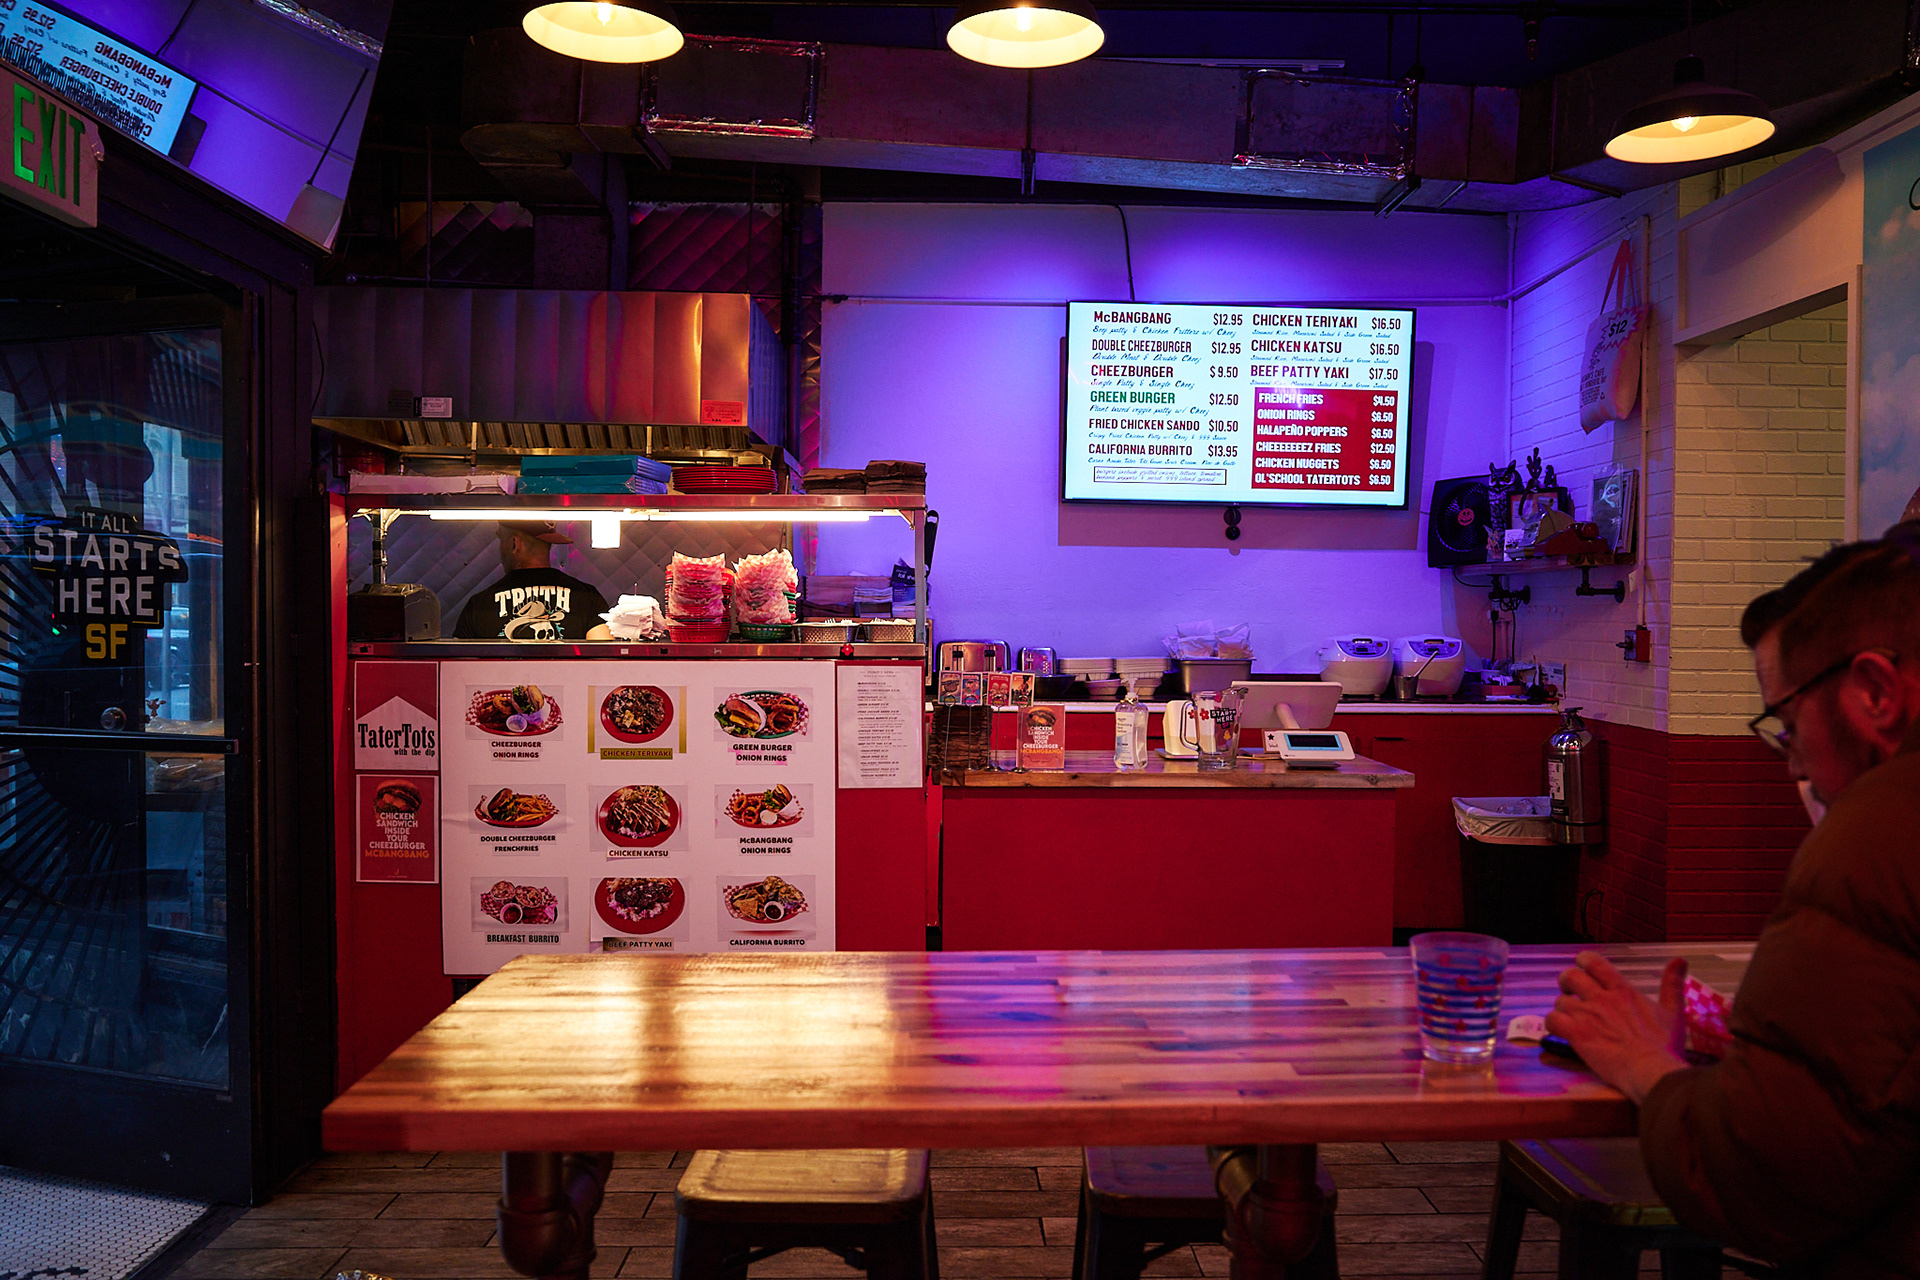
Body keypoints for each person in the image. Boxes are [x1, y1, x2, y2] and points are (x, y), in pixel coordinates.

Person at [1545, 522, 1920, 1278]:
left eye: (1788, 725)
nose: (1794, 767)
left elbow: (1767, 1181)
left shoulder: (1875, 839)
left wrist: (1647, 1064)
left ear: (1876, 693)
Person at [452, 521, 610, 641]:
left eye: (501, 539)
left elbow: (460, 666)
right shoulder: (588, 597)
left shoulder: (479, 605)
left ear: (514, 543)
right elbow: (603, 659)